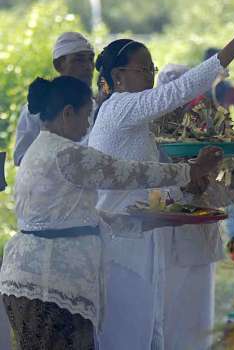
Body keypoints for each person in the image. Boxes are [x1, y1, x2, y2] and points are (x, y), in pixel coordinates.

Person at [0, 76, 221, 349]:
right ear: (68, 113)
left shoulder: (40, 149)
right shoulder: (67, 154)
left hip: (30, 276)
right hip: (52, 281)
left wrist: (140, 224)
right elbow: (128, 172)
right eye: (86, 116)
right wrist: (191, 170)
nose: (89, 125)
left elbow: (73, 218)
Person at [88, 14, 234, 349]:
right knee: (126, 334)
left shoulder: (136, 121)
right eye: (145, 69)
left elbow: (153, 180)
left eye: (153, 70)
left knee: (148, 331)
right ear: (119, 77)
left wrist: (193, 181)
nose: (152, 78)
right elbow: (180, 90)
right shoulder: (119, 107)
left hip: (139, 235)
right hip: (118, 239)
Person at [155, 64, 234, 349]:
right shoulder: (148, 133)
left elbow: (224, 196)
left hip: (201, 241)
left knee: (197, 321)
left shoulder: (209, 129)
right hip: (163, 240)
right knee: (163, 319)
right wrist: (183, 187)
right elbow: (143, 181)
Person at [13, 32, 95, 166]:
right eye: (79, 60)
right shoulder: (36, 109)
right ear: (59, 65)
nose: (88, 67)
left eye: (91, 59)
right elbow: (21, 157)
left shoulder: (96, 105)